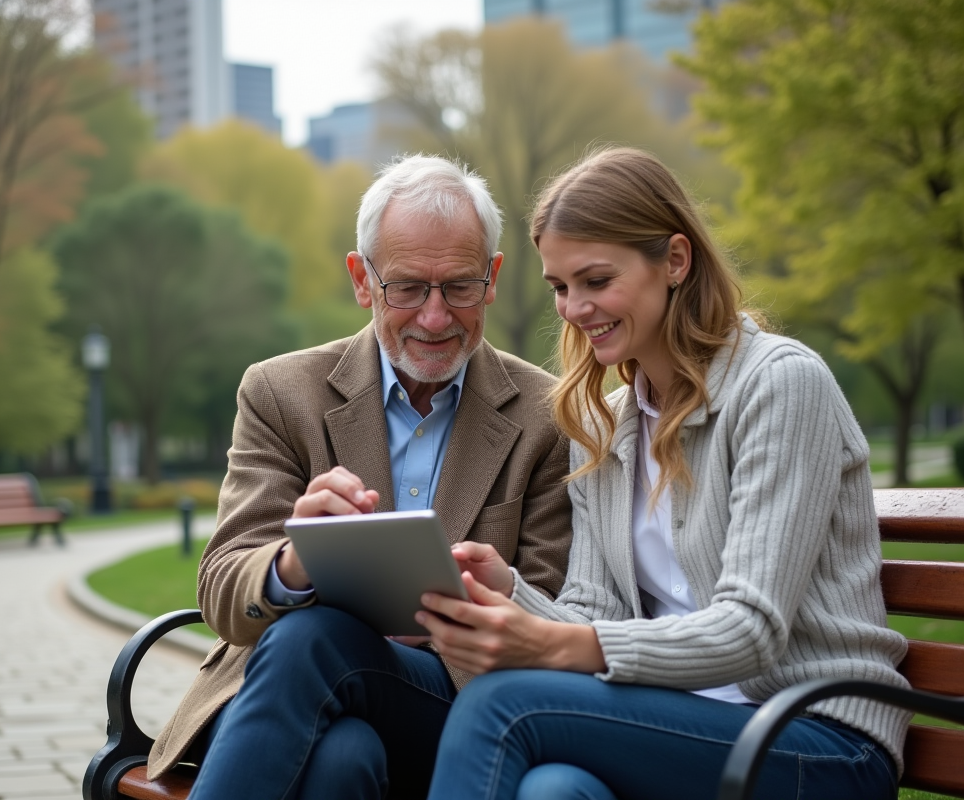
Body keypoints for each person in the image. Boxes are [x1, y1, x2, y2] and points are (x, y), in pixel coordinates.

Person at [414, 147, 911, 800]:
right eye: (560, 287)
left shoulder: (781, 386)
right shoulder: (602, 421)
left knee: (502, 704)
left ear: (675, 261)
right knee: (555, 791)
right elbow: (595, 612)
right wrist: (508, 593)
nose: (573, 308)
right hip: (677, 723)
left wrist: (551, 646)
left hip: (814, 734)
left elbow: (750, 630)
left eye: (595, 281)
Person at [144, 154, 573, 800]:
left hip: (455, 706)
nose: (434, 318)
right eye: (406, 288)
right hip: (290, 700)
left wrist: (476, 599)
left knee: (312, 636)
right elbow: (223, 588)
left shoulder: (548, 417)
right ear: (361, 279)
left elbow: (552, 616)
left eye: (458, 286)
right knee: (342, 758)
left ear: (492, 279)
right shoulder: (281, 393)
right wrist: (294, 561)